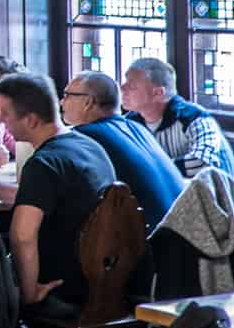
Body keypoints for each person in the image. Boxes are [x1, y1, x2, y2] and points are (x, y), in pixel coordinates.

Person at [0, 70, 117, 328]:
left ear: (29, 119)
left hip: (68, 290)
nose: (2, 122)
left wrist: (29, 292)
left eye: (6, 115)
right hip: (110, 282)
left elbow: (22, 235)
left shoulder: (43, 164)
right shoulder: (89, 146)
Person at [62, 70, 184, 231]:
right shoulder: (137, 128)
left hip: (151, 244)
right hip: (185, 235)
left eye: (67, 95)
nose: (61, 102)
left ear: (88, 102)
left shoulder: (83, 137)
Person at [121, 57, 234, 180]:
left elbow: (203, 163)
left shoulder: (195, 118)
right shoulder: (129, 123)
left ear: (158, 93)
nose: (122, 88)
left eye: (132, 85)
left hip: (213, 193)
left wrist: (152, 170)